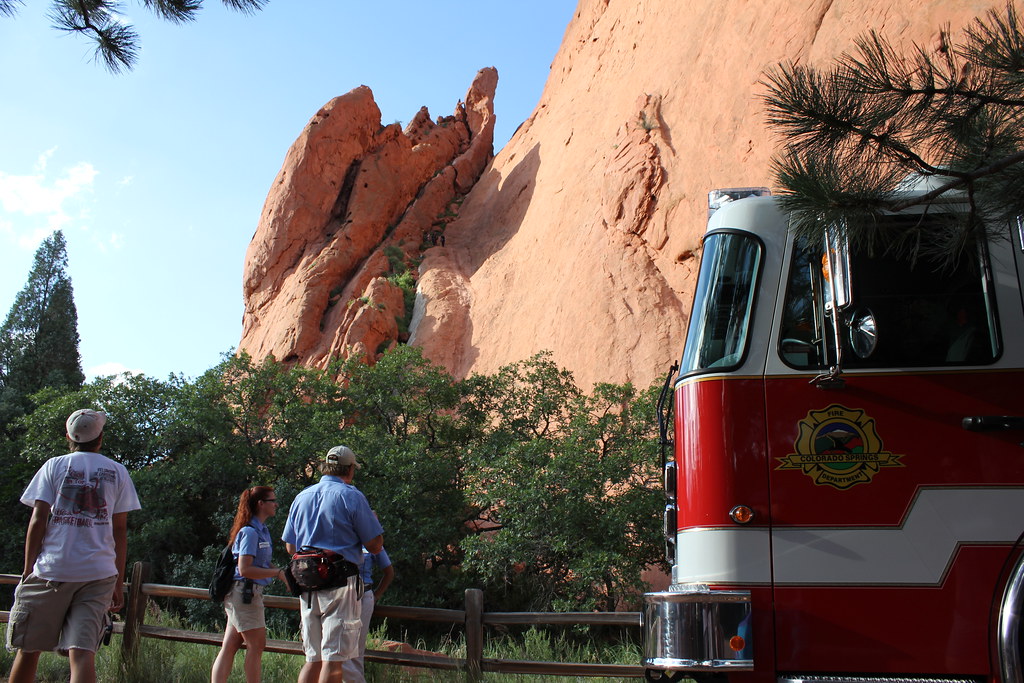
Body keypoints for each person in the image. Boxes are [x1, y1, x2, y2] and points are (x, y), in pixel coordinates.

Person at [6, 408, 141, 683]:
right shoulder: (117, 472)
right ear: (100, 438)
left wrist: (28, 568)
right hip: (98, 573)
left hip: (52, 570)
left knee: (29, 649)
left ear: (68, 435)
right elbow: (119, 532)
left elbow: (38, 520)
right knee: (81, 654)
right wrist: (117, 582)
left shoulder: (53, 466)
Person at [283, 445, 384, 683]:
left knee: (313, 658)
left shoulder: (302, 496)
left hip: (307, 584)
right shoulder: (351, 496)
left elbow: (290, 547)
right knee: (334, 659)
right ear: (350, 470)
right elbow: (375, 546)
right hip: (340, 584)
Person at [211, 486, 288, 683]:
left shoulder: (262, 531)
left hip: (247, 593)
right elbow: (244, 569)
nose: (276, 504)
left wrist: (282, 573)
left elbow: (261, 563)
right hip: (244, 594)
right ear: (261, 504)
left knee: (230, 645)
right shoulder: (250, 532)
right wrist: (277, 573)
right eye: (272, 500)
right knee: (257, 645)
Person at [341, 544, 394, 683]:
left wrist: (376, 595)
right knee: (339, 648)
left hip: (364, 597)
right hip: (341, 597)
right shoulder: (343, 538)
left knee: (357, 650)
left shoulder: (371, 542)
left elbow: (389, 572)